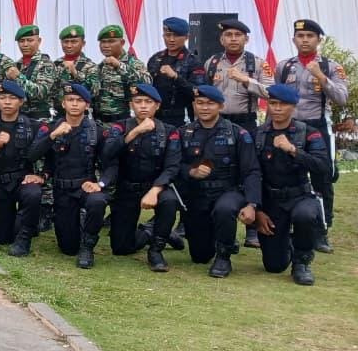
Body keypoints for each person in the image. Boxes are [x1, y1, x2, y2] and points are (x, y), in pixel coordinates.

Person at [274, 18, 346, 252]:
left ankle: (321, 231)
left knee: (322, 178)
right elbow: (277, 98)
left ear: (318, 39)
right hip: (290, 127)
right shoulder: (284, 66)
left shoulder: (330, 66)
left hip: (318, 126)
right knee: (285, 174)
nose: (305, 40)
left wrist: (321, 77)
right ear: (293, 39)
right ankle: (288, 226)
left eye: (310, 36)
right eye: (300, 36)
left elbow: (341, 98)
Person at [177, 84, 260, 277]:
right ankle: (221, 238)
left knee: (225, 209)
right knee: (200, 256)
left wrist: (252, 204)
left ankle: (224, 256)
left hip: (228, 191)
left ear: (221, 106)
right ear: (194, 105)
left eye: (210, 103)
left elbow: (251, 171)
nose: (204, 107)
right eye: (200, 103)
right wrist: (191, 171)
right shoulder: (183, 133)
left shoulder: (237, 134)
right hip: (197, 194)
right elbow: (173, 166)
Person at [30, 83, 111, 268]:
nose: (74, 104)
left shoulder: (97, 131)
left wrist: (101, 184)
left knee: (97, 201)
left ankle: (88, 247)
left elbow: (111, 164)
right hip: (62, 190)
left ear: (87, 105)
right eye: (70, 100)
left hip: (86, 187)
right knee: (68, 248)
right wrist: (52, 136)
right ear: (63, 103)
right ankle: (78, 225)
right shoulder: (50, 127)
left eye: (79, 100)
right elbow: (32, 155)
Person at [102, 83, 182, 272]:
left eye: (148, 102)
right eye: (138, 101)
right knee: (121, 248)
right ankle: (149, 230)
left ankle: (156, 250)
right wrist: (135, 132)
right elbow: (107, 154)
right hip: (127, 188)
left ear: (157, 105)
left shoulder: (169, 131)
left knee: (169, 201)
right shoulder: (120, 127)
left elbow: (172, 167)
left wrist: (155, 190)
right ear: (131, 105)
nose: (143, 106)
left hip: (156, 187)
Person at [255, 83, 329, 285]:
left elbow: (323, 166)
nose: (277, 108)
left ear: (294, 107)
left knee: (304, 215)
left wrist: (293, 150)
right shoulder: (258, 134)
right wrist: (257, 210)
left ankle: (301, 261)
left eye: (284, 104)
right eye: (273, 103)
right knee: (274, 266)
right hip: (271, 201)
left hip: (300, 196)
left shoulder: (308, 133)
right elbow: (250, 174)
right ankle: (285, 243)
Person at [0, 80, 45, 256]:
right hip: (0, 183)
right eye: (3, 98)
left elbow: (46, 154)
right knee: (2, 238)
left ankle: (25, 237)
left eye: (12, 98)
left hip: (23, 179)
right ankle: (19, 222)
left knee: (33, 193)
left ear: (21, 101)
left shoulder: (33, 126)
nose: (7, 102)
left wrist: (41, 175)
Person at [146, 17, 205, 127]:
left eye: (176, 36)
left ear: (186, 37)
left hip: (181, 118)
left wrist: (176, 77)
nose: (171, 39)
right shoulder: (155, 59)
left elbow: (199, 92)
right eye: (168, 35)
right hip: (156, 116)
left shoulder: (193, 61)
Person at [93, 25, 150, 123]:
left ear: (122, 42)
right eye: (103, 42)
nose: (106, 45)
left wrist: (120, 66)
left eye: (111, 41)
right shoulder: (101, 66)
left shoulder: (133, 63)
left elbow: (147, 83)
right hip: (101, 120)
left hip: (124, 120)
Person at [11, 25, 58, 121]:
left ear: (39, 41)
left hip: (41, 118)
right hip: (20, 118)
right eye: (21, 41)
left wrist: (18, 77)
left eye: (30, 40)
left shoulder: (46, 64)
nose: (25, 44)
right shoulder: (16, 65)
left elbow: (41, 92)